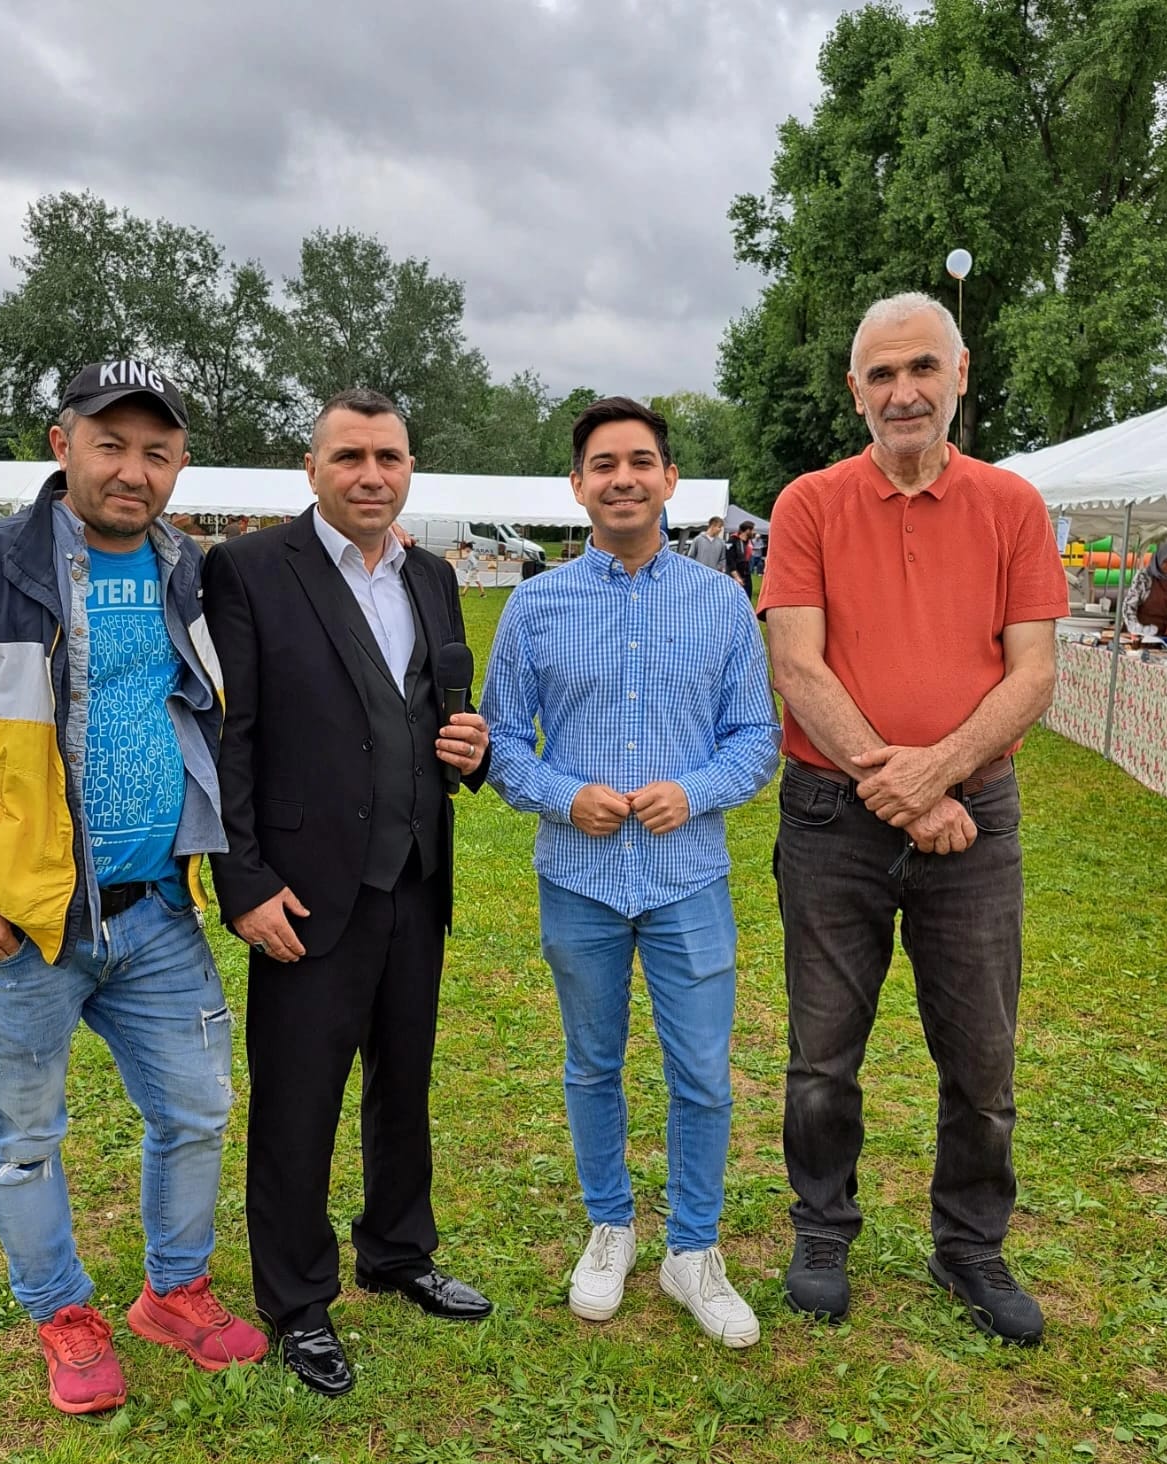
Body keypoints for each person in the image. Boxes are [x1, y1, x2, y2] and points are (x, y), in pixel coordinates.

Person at [0, 361, 265, 1416]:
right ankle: (61, 1312)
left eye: (157, 452)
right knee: (25, 1140)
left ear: (179, 465)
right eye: (111, 445)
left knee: (197, 1111)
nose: (133, 471)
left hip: (158, 914)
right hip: (24, 924)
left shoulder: (190, 570)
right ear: (62, 445)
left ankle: (174, 1293)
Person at [758, 293, 1068, 1346]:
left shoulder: (1012, 506)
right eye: (882, 375)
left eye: (921, 369)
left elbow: (1034, 674)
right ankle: (822, 1229)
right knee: (822, 1052)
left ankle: (970, 1246)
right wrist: (899, 785)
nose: (903, 391)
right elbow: (797, 663)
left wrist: (938, 776)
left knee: (982, 1056)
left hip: (974, 816)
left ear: (961, 374)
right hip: (830, 818)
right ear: (855, 390)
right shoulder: (807, 504)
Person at [203, 388, 493, 1398]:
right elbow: (227, 737)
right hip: (303, 888)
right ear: (312, 469)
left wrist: (472, 749)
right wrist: (243, 882)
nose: (373, 474)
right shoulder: (245, 571)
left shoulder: (435, 575)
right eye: (351, 456)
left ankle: (397, 1250)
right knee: (297, 1100)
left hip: (414, 875)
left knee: (402, 1080)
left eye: (390, 456)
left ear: (410, 468)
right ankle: (296, 1300)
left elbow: (436, 709)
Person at [481, 397, 780, 1347]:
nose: (623, 478)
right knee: (592, 1061)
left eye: (640, 461)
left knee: (701, 1072)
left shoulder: (721, 602)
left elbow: (756, 738)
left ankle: (693, 1248)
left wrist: (691, 790)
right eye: (604, 464)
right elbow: (499, 745)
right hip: (580, 875)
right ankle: (609, 1225)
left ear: (669, 481)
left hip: (689, 872)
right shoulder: (535, 604)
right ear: (577, 486)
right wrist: (563, 794)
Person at [1122, 542, 1167, 637]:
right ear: (1159, 559)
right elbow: (1129, 606)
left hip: (1163, 633)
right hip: (1139, 633)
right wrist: (1136, 628)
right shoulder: (1144, 577)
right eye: (1166, 561)